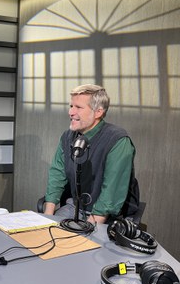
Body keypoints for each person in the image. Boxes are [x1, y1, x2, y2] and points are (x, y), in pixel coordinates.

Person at [44, 84, 139, 224]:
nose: (71, 112)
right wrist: (48, 217)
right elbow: (57, 175)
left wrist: (87, 228)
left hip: (108, 214)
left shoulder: (118, 141)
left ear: (98, 112)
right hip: (75, 207)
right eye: (71, 106)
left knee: (80, 242)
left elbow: (110, 195)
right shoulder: (67, 137)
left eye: (78, 107)